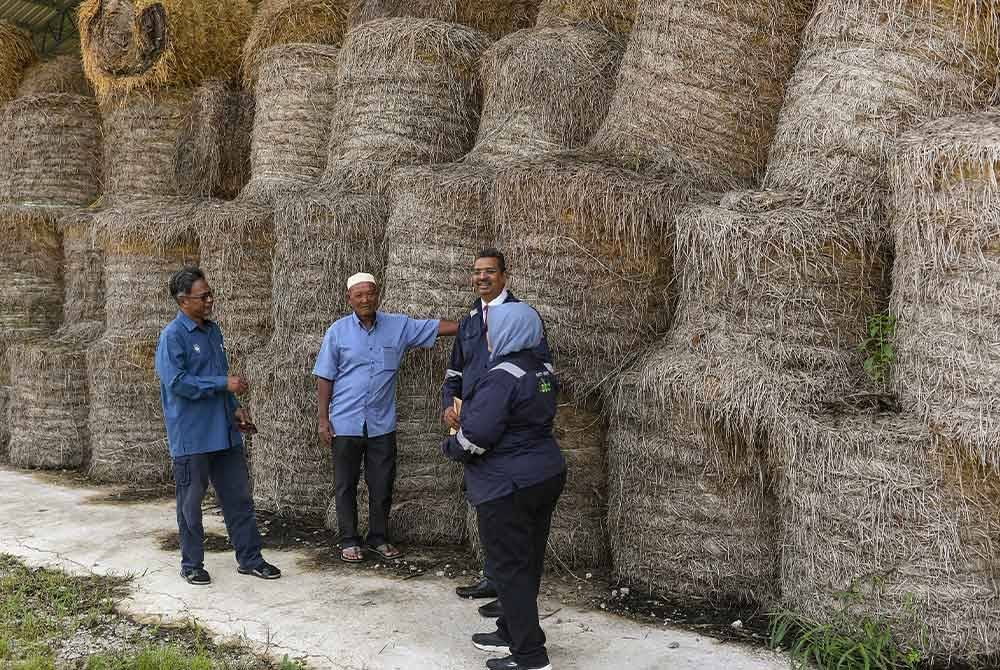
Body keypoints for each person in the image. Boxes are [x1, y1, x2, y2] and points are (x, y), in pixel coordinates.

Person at [441, 303, 566, 670]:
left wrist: (451, 444)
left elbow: (478, 436)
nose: (488, 335)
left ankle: (530, 656)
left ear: (509, 332)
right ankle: (510, 630)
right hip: (544, 474)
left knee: (510, 567)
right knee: (527, 561)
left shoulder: (502, 375)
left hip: (508, 483)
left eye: (492, 329)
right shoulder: (541, 368)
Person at [314, 272, 459, 563]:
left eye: (370, 293)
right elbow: (325, 377)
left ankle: (378, 538)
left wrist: (474, 324)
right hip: (345, 421)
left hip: (382, 423)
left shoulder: (398, 326)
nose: (365, 299)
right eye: (359, 295)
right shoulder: (337, 332)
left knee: (381, 484)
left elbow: (434, 327)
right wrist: (322, 419)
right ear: (349, 299)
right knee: (345, 484)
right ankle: (349, 539)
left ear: (377, 295)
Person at [155, 267, 280, 586]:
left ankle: (250, 558)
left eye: (211, 294)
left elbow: (221, 380)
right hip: (193, 436)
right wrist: (222, 383)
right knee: (191, 503)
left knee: (238, 498)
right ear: (183, 301)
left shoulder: (213, 332)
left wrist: (235, 408)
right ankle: (192, 563)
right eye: (203, 296)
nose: (210, 300)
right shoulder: (173, 336)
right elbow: (177, 382)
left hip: (224, 433)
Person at [443, 249, 551, 619]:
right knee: (488, 507)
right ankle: (494, 578)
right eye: (476, 272)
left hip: (503, 434)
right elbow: (455, 371)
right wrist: (449, 404)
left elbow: (541, 370)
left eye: (489, 271)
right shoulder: (470, 320)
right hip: (477, 425)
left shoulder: (522, 317)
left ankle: (512, 606)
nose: (482, 278)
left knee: (507, 514)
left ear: (505, 276)